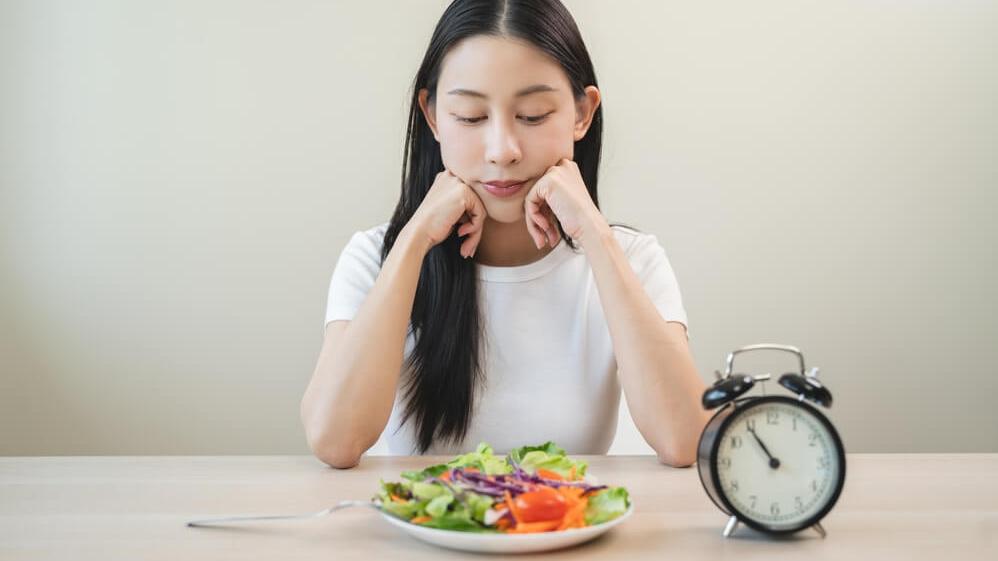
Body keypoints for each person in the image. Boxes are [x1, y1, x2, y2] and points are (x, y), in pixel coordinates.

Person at [301, 0, 710, 469]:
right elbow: (334, 441)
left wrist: (594, 234)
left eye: (533, 115)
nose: (502, 151)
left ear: (582, 113)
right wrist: (415, 240)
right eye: (471, 117)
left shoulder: (634, 259)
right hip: (424, 519)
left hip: (565, 516)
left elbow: (685, 441)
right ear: (432, 116)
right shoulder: (374, 257)